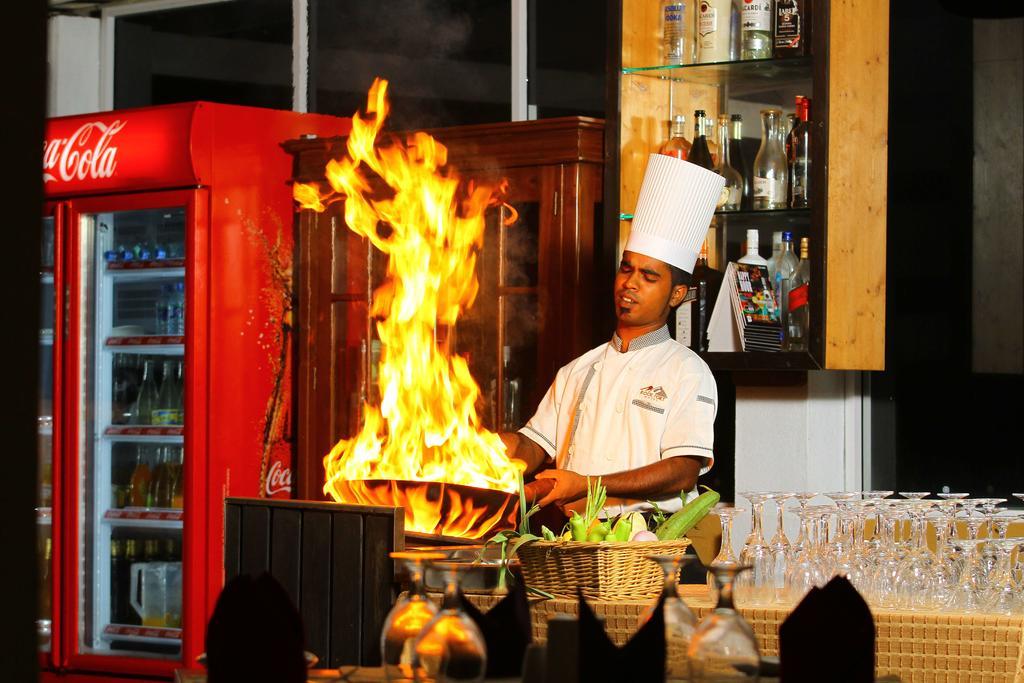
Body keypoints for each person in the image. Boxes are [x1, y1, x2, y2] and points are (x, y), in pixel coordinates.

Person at [501, 154, 724, 518]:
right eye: (626, 269)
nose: (630, 284)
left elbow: (683, 471)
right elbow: (533, 447)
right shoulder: (577, 370)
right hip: (576, 537)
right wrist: (481, 447)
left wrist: (589, 484)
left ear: (676, 294)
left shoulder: (688, 371)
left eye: (649, 277)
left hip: (648, 538)